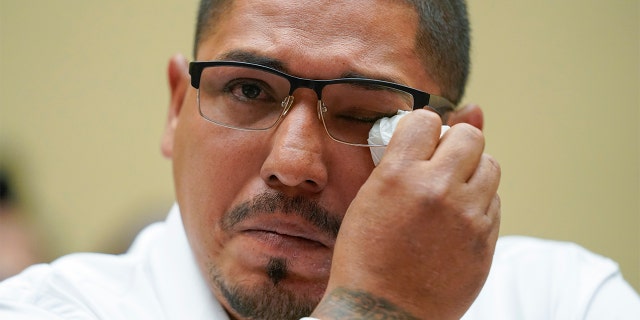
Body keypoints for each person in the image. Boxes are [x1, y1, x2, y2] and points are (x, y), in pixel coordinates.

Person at [0, 0, 638, 319]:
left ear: (451, 149)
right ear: (176, 106)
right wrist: (376, 307)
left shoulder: (565, 301)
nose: (294, 161)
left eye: (363, 111)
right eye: (248, 90)